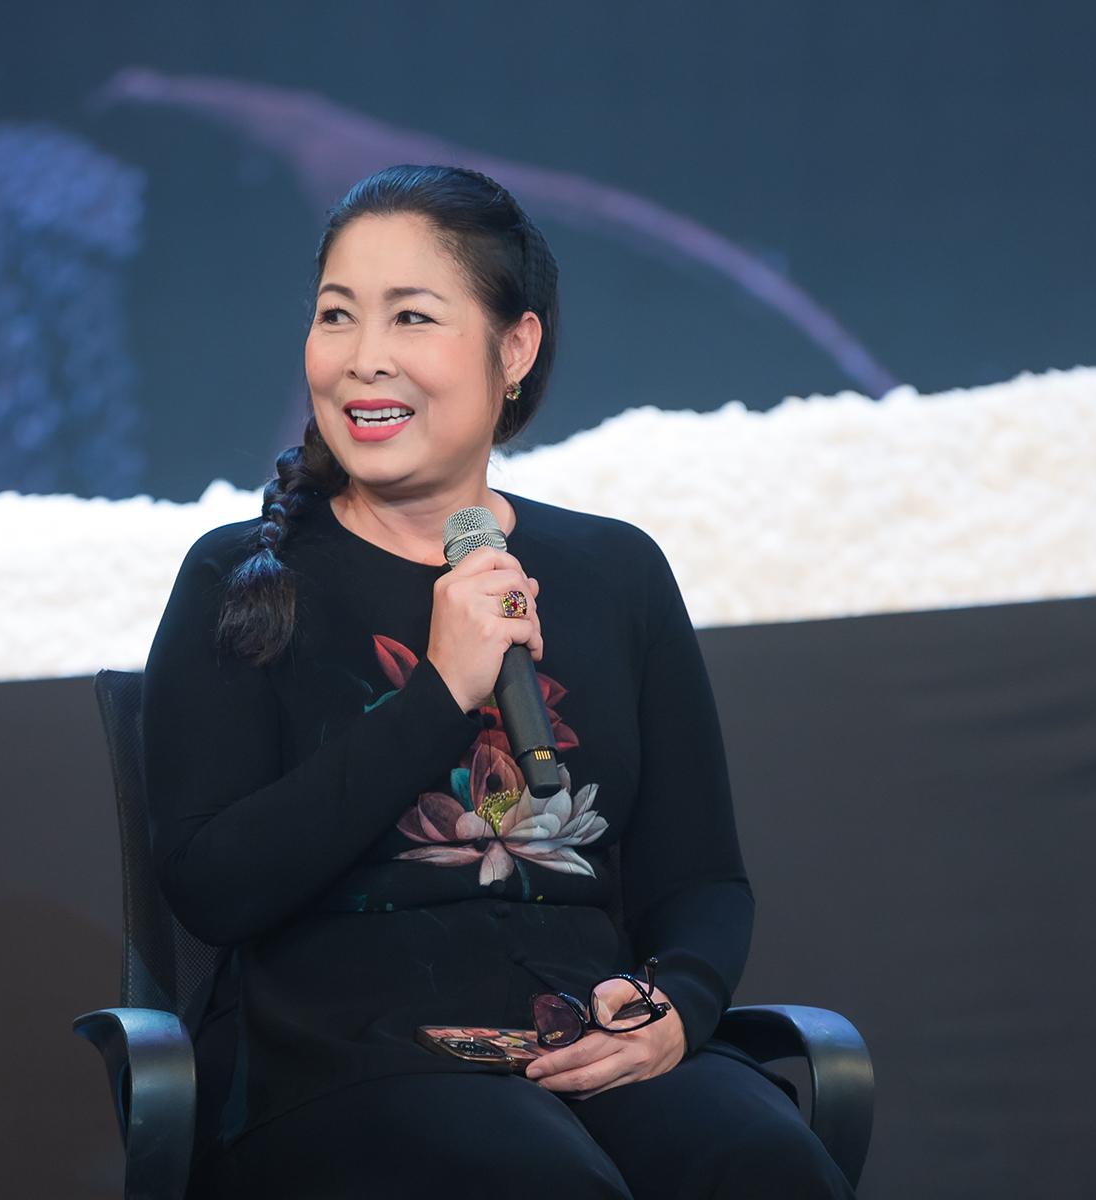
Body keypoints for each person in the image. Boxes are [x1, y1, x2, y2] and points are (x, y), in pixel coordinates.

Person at [142, 165, 853, 1200]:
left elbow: (700, 878)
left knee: (763, 1162)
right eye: (336, 316)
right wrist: (440, 689)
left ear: (514, 348)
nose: (364, 357)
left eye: (411, 317)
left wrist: (677, 1006)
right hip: (341, 1051)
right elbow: (212, 884)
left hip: (578, 1028)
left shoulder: (615, 572)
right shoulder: (241, 580)